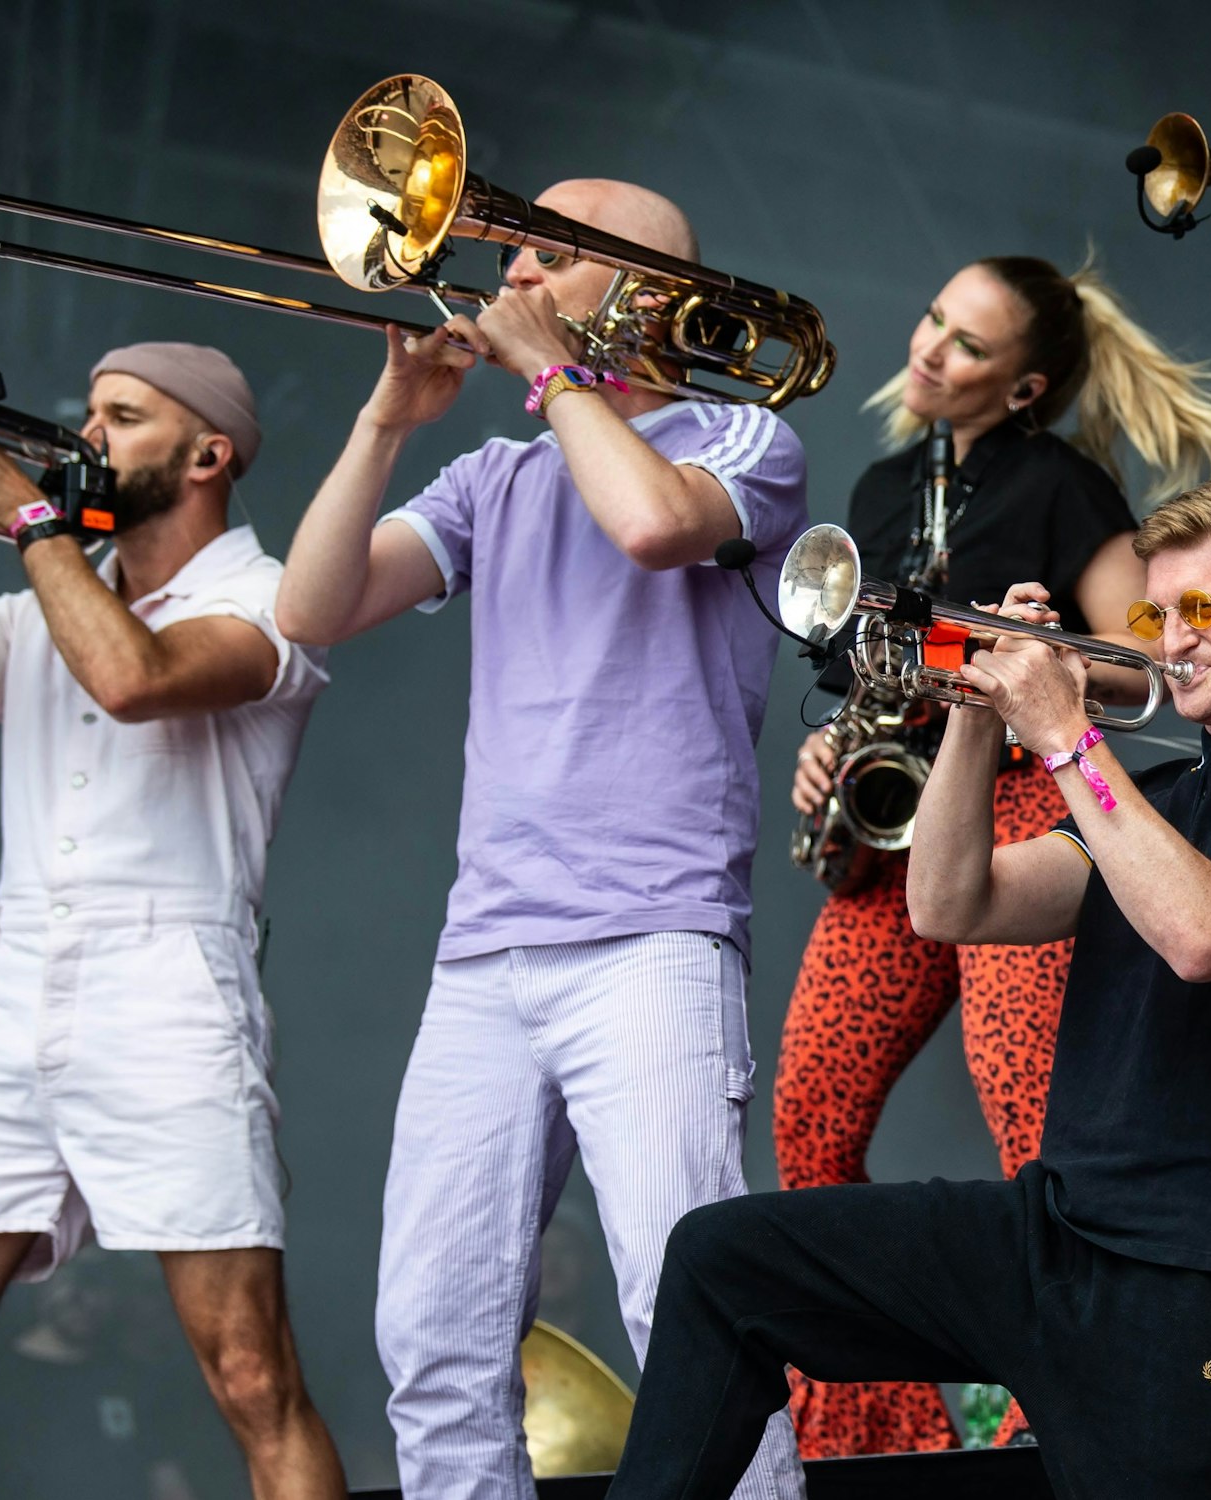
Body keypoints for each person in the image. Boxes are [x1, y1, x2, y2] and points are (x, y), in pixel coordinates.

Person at [601, 478, 1211, 1500]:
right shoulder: (1160, 795)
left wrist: (1065, 738)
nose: (1174, 639)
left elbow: (1205, 931)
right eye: (1154, 616)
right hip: (1053, 1234)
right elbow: (950, 903)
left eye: (1200, 608)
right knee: (720, 1259)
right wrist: (976, 711)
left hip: (1202, 1282)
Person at [274, 179, 808, 1500]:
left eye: (547, 254)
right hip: (486, 953)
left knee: (690, 1321)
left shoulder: (745, 438)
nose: (508, 272)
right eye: (513, 249)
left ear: (651, 293)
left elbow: (652, 526)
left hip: (653, 941)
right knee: (433, 1339)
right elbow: (310, 608)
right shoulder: (494, 475)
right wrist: (385, 421)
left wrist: (557, 374)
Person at [776, 255, 1211, 1456]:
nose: (928, 346)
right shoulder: (883, 486)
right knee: (808, 1118)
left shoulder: (1060, 485)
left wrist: (1008, 654)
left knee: (1034, 1130)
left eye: (968, 343)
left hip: (1020, 815)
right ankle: (879, 1441)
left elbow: (1147, 666)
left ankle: (1055, 1423)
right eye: (933, 318)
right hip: (896, 828)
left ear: (1026, 386)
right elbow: (859, 675)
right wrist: (828, 749)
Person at [0, 343, 341, 1499]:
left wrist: (23, 508)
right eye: (90, 411)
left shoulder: (269, 599)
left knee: (250, 1375)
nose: (89, 433)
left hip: (168, 986)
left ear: (208, 455)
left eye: (125, 415)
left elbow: (134, 678)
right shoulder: (36, 604)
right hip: (10, 981)